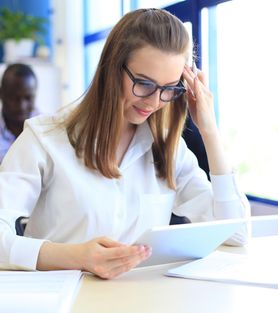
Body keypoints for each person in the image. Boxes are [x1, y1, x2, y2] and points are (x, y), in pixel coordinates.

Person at [0, 8, 250, 279]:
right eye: (144, 84)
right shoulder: (44, 140)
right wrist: (76, 257)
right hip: (60, 309)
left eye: (169, 88)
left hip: (138, 309)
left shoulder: (168, 149)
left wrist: (209, 130)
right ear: (112, 68)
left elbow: (236, 233)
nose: (155, 103)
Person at [0, 63, 38, 163]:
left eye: (28, 98)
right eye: (14, 98)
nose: (22, 106)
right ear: (1, 94)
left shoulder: (46, 128)